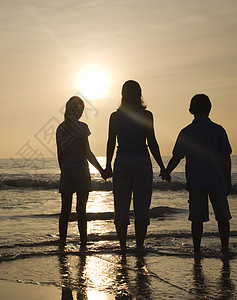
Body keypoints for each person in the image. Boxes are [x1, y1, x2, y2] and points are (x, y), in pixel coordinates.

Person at [161, 94, 232, 256]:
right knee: (222, 217)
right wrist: (228, 179)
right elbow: (226, 157)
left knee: (197, 219)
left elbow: (177, 156)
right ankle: (225, 249)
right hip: (217, 179)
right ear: (210, 109)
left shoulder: (187, 131)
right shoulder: (219, 130)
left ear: (190, 110)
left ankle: (197, 250)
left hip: (196, 181)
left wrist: (166, 172)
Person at [105, 80, 166, 252]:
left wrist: (108, 165)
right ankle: (139, 246)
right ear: (139, 94)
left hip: (122, 161)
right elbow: (152, 142)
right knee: (142, 207)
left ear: (122, 95)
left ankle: (123, 247)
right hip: (141, 161)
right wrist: (162, 166)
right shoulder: (147, 116)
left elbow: (111, 142)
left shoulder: (115, 117)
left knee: (121, 207)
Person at [56, 96, 106, 249]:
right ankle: (83, 244)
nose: (81, 111)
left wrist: (64, 169)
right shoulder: (82, 128)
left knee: (65, 210)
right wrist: (101, 170)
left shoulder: (60, 128)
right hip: (81, 171)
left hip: (67, 171)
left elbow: (60, 154)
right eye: (80, 108)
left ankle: (62, 243)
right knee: (81, 211)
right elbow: (88, 153)